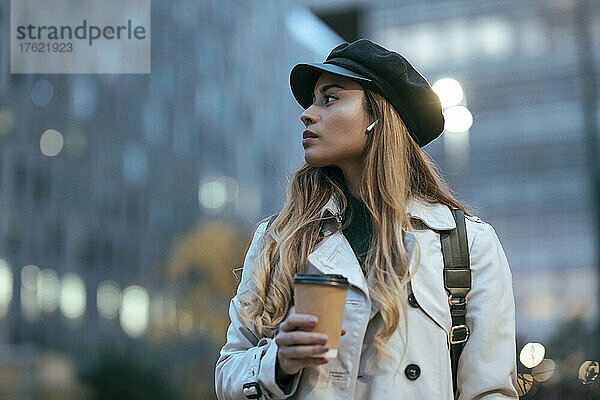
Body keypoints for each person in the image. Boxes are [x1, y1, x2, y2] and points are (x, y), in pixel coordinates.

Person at [215, 38, 519, 399]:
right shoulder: (278, 238)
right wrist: (278, 362)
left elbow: (491, 390)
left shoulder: (466, 244)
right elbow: (228, 371)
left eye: (330, 98)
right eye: (313, 101)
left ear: (376, 116)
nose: (307, 113)